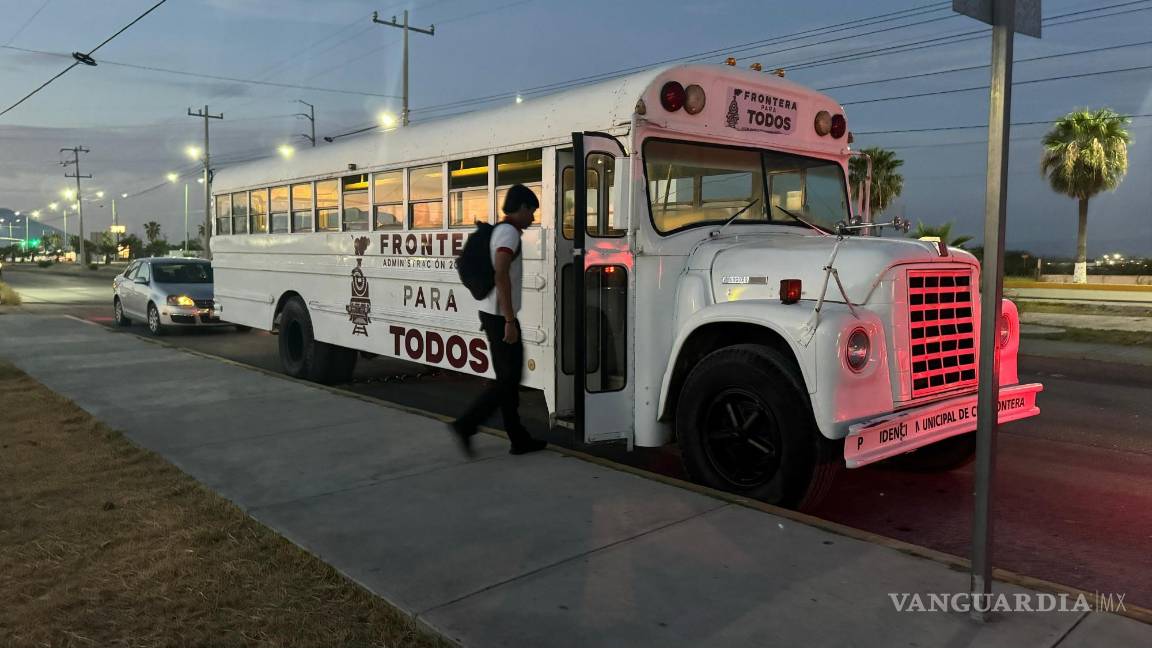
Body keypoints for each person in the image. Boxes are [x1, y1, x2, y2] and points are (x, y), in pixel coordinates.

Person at [451, 184, 548, 457]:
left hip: (494, 313)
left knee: (509, 379)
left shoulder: (502, 231)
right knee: (508, 379)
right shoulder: (509, 234)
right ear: (522, 208)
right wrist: (509, 320)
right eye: (532, 211)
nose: (533, 217)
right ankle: (466, 424)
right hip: (499, 316)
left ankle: (518, 438)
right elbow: (501, 275)